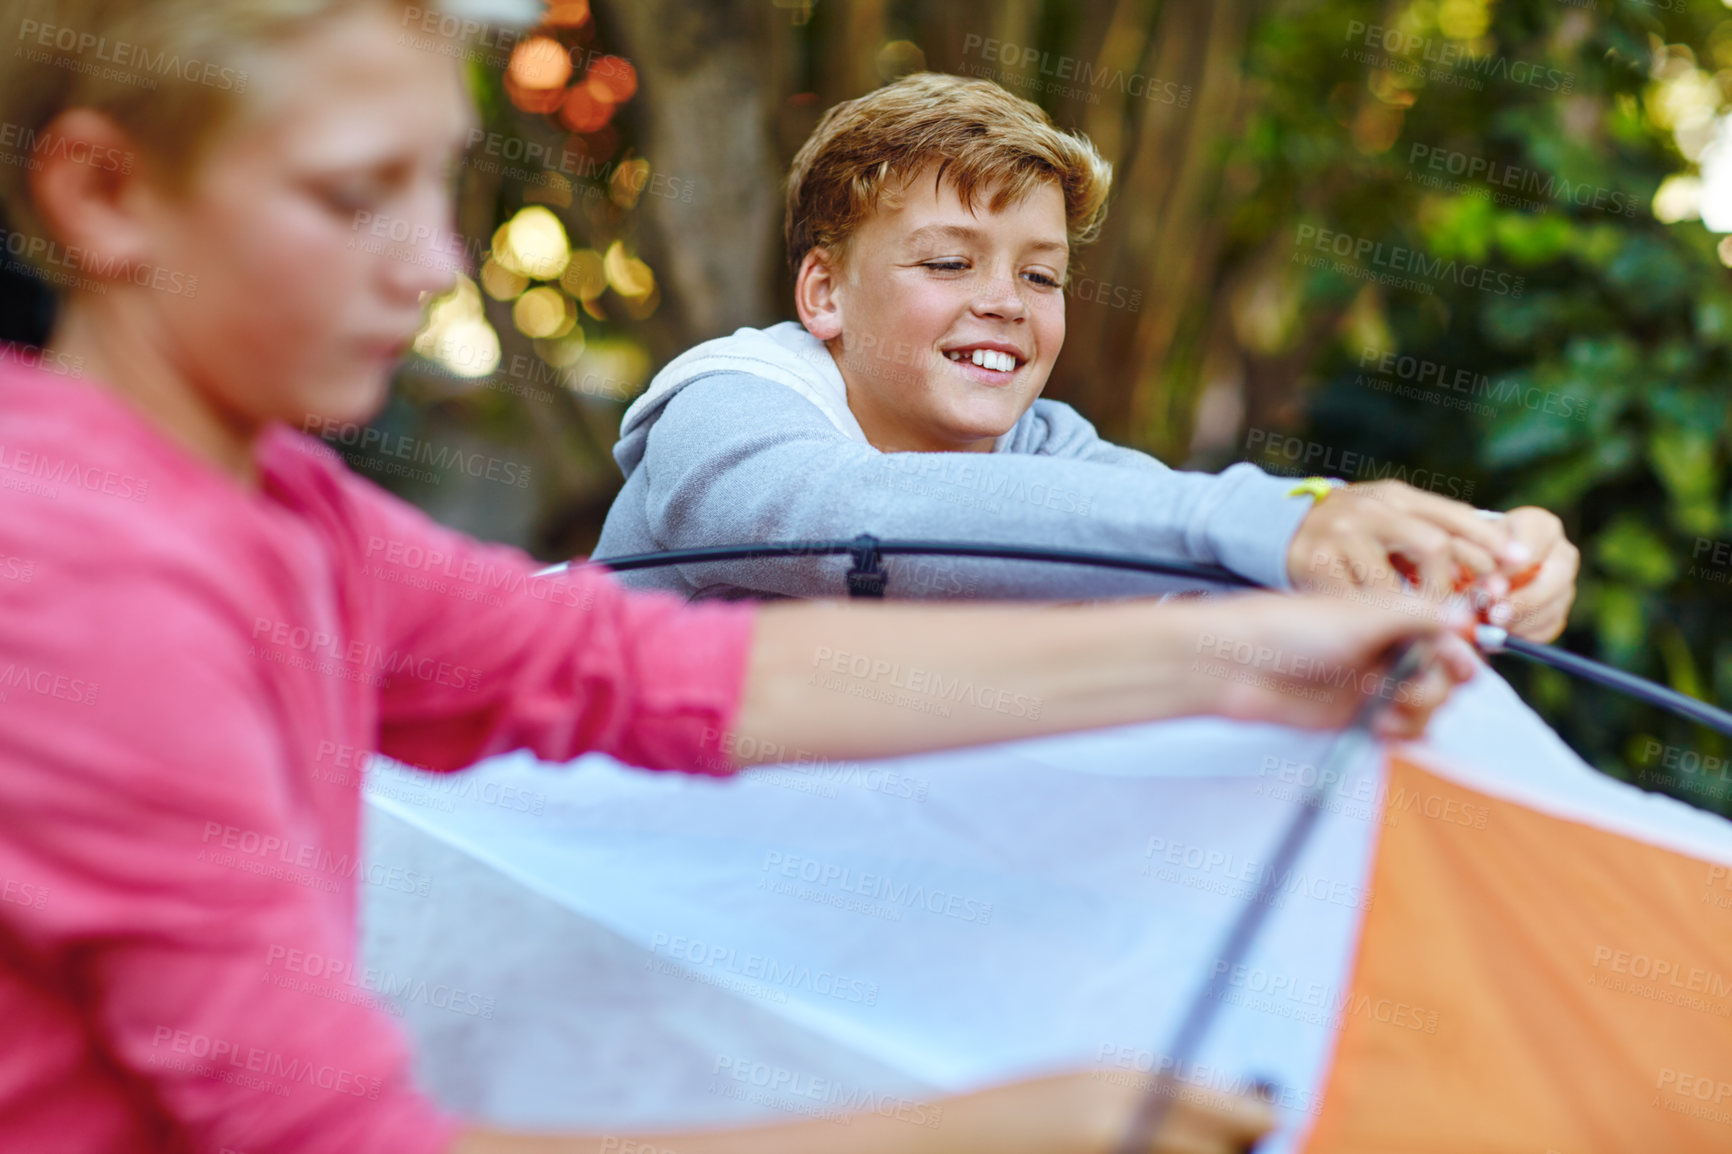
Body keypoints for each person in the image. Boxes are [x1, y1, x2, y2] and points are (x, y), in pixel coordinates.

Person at [0, 3, 1479, 1153]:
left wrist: (1247, 649)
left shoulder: (279, 505)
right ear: (108, 193)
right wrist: (979, 1128)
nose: (434, 262)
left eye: (438, 186)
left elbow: (656, 672)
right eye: (350, 196)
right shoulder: (77, 586)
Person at [594, 73, 1579, 643]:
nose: (1002, 302)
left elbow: (1196, 560)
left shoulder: (1043, 451)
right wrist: (1250, 521)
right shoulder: (729, 403)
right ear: (823, 294)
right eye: (947, 261)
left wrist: (1472, 550)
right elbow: (846, 521)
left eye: (1041, 276)